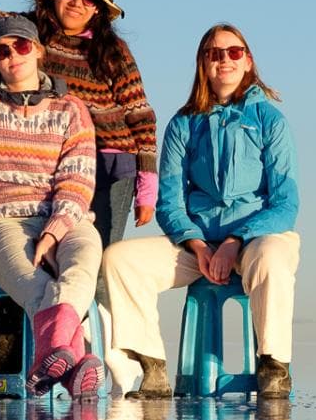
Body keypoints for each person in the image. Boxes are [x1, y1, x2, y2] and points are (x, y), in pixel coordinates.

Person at [102, 25, 300, 398]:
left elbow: (286, 202)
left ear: (248, 61)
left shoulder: (270, 121)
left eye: (234, 52)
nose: (224, 59)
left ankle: (274, 367)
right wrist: (197, 245)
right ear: (202, 64)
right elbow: (170, 201)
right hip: (199, 247)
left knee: (272, 258)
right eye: (214, 53)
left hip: (257, 240)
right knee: (119, 259)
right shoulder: (183, 124)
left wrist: (234, 241)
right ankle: (153, 368)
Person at [0, 14, 104, 397]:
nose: (13, 56)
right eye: (1, 51)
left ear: (38, 50)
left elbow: (78, 179)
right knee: (35, 283)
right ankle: (73, 362)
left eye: (21, 46)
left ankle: (56, 359)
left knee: (81, 266)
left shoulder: (70, 109)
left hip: (65, 216)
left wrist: (54, 231)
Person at [28, 0, 158, 246]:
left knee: (97, 254)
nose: (77, 2)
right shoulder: (29, 38)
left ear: (98, 8)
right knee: (48, 252)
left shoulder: (113, 50)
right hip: (50, 161)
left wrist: (147, 187)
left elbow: (140, 114)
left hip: (108, 160)